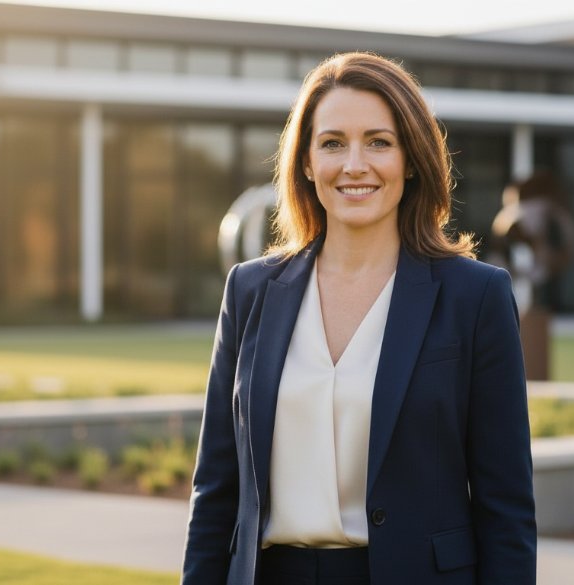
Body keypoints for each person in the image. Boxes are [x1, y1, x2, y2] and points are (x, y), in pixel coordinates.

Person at [182, 52, 536, 585]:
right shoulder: (249, 291)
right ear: (306, 162)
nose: (354, 165)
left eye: (378, 142)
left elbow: (505, 507)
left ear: (411, 159)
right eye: (332, 143)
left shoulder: (475, 296)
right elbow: (215, 492)